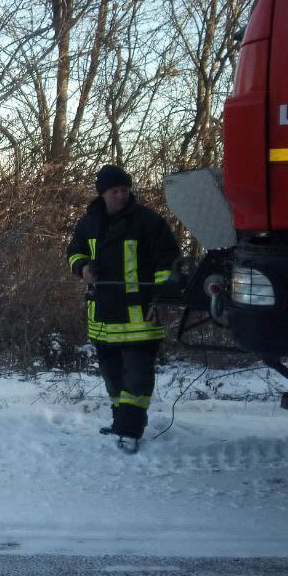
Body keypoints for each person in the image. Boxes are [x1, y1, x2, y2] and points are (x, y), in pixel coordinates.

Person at [66, 164, 180, 453]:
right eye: (114, 191)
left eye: (124, 190)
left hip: (139, 316)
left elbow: (168, 263)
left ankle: (130, 431)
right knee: (112, 375)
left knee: (138, 377)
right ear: (103, 194)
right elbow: (74, 251)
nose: (120, 196)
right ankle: (120, 423)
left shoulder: (148, 222)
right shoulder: (88, 223)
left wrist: (160, 299)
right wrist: (82, 268)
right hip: (103, 317)